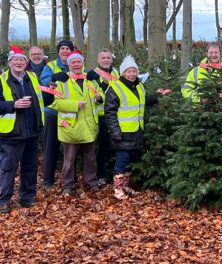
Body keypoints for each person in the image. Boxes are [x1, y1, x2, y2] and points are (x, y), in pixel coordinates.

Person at [0, 45, 54, 213]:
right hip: (11, 134)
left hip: (32, 130)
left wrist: (50, 92)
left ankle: (27, 198)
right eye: (15, 60)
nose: (18, 62)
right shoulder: (2, 80)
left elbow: (42, 100)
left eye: (21, 60)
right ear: (9, 63)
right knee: (8, 168)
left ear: (25, 62)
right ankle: (4, 201)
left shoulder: (32, 77)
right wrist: (13, 105)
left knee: (30, 167)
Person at [50, 50, 103, 196]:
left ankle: (92, 183)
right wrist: (75, 105)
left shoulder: (90, 79)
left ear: (83, 63)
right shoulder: (61, 81)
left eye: (79, 62)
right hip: (71, 128)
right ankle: (67, 185)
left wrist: (99, 97)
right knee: (69, 160)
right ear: (68, 64)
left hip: (89, 127)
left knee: (91, 158)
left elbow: (100, 94)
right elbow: (55, 103)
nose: (76, 64)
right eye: (73, 62)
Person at [105, 55, 157, 200]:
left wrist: (157, 97)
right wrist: (115, 132)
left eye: (134, 71)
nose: (132, 74)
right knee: (123, 158)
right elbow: (110, 112)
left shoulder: (139, 86)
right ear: (123, 73)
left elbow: (141, 101)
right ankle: (117, 188)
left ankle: (126, 185)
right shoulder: (115, 87)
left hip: (136, 130)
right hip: (122, 132)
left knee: (131, 158)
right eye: (129, 71)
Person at [40, 40, 75, 190]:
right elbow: (43, 82)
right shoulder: (51, 66)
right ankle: (48, 181)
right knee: (50, 147)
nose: (65, 51)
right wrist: (53, 79)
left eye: (68, 48)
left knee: (71, 148)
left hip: (70, 113)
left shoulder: (76, 63)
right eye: (62, 48)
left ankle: (70, 180)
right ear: (58, 51)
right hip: (53, 112)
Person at [95, 49, 120, 186]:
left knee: (114, 147)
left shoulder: (116, 73)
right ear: (98, 60)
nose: (106, 60)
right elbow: (92, 91)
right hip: (101, 116)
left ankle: (114, 175)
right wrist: (103, 85)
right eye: (103, 58)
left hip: (115, 115)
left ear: (112, 59)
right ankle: (101, 176)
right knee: (103, 147)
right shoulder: (93, 74)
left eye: (108, 58)